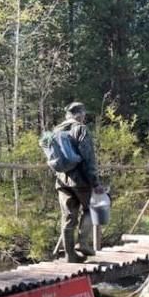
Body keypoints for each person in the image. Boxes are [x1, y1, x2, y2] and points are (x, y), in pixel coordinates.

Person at [54, 102, 105, 263]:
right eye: (83, 114)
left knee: (68, 217)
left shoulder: (55, 131)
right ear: (80, 114)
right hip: (81, 180)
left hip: (62, 180)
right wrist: (95, 182)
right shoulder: (81, 129)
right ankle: (83, 243)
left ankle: (70, 255)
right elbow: (88, 158)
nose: (84, 117)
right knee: (92, 208)